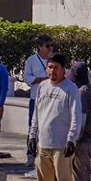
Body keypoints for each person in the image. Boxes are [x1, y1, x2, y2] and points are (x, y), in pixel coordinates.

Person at [28, 53, 83, 181]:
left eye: (56, 68)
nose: (52, 71)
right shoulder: (42, 87)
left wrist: (71, 139)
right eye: (50, 67)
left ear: (63, 69)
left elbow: (76, 116)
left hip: (62, 144)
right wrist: (32, 135)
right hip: (43, 144)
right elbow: (36, 113)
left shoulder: (70, 88)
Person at [22, 36, 56, 164]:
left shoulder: (54, 60)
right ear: (40, 47)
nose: (50, 49)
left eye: (51, 46)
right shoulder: (32, 60)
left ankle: (46, 155)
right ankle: (31, 154)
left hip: (51, 98)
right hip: (36, 98)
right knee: (33, 126)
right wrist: (42, 80)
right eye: (47, 46)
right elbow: (27, 77)